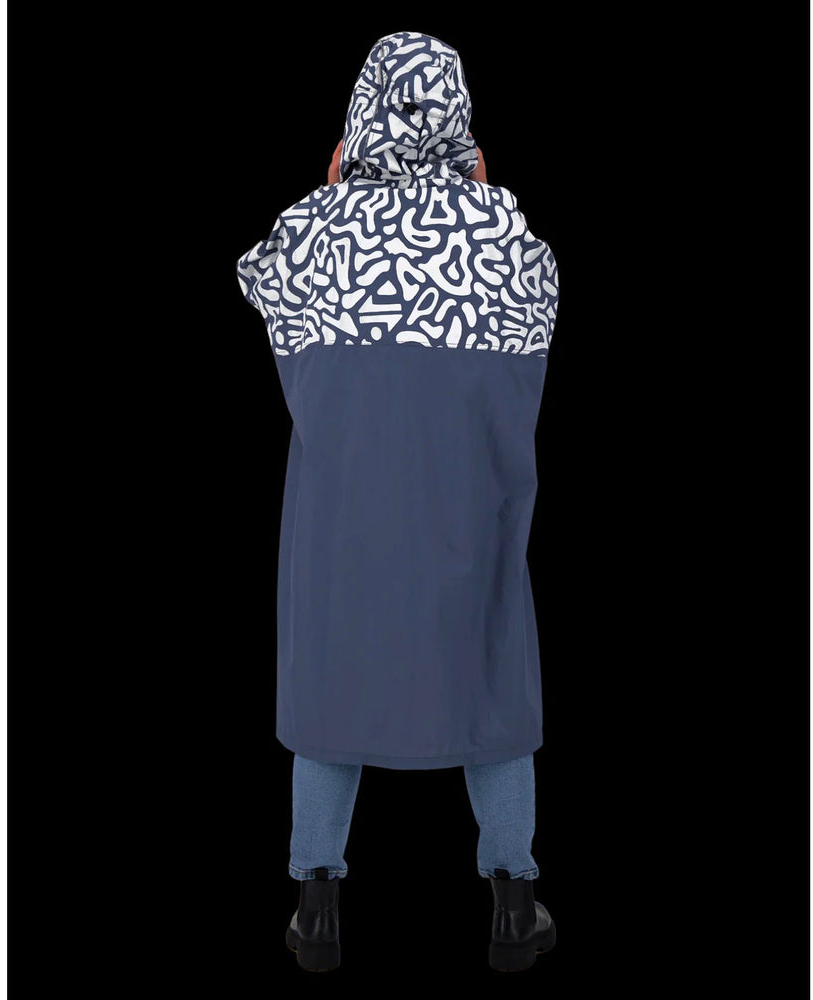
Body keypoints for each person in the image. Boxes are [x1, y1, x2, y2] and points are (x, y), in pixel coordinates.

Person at [236, 30, 559, 972]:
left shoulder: (312, 234)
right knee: (492, 680)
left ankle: (316, 910)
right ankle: (514, 906)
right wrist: (477, 189)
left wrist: (339, 191)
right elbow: (542, 295)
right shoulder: (508, 238)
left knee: (330, 685)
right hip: (471, 517)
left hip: (343, 529)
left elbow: (259, 278)